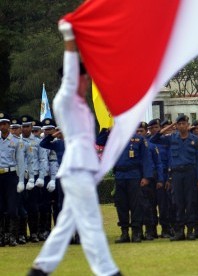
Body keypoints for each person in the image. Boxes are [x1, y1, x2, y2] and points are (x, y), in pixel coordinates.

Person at [28, 21, 121, 276]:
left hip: (81, 168)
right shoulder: (65, 99)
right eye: (84, 77)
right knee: (91, 223)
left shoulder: (80, 105)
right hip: (77, 168)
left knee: (66, 224)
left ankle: (40, 269)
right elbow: (71, 73)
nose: (86, 81)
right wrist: (70, 37)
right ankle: (108, 271)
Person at [151, 115, 198, 241]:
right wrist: (170, 126)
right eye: (179, 124)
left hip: (190, 173)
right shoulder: (172, 138)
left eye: (184, 123)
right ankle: (180, 231)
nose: (181, 126)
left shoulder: (195, 139)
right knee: (178, 202)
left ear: (188, 124)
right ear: (176, 125)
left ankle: (191, 231)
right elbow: (154, 139)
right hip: (176, 174)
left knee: (190, 202)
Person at [0, 112, 26, 247]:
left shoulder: (16, 141)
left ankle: (12, 236)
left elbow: (21, 162)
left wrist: (21, 180)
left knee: (12, 208)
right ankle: (2, 236)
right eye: (1, 124)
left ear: (9, 126)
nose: (2, 126)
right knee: (0, 208)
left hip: (11, 176)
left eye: (5, 124)